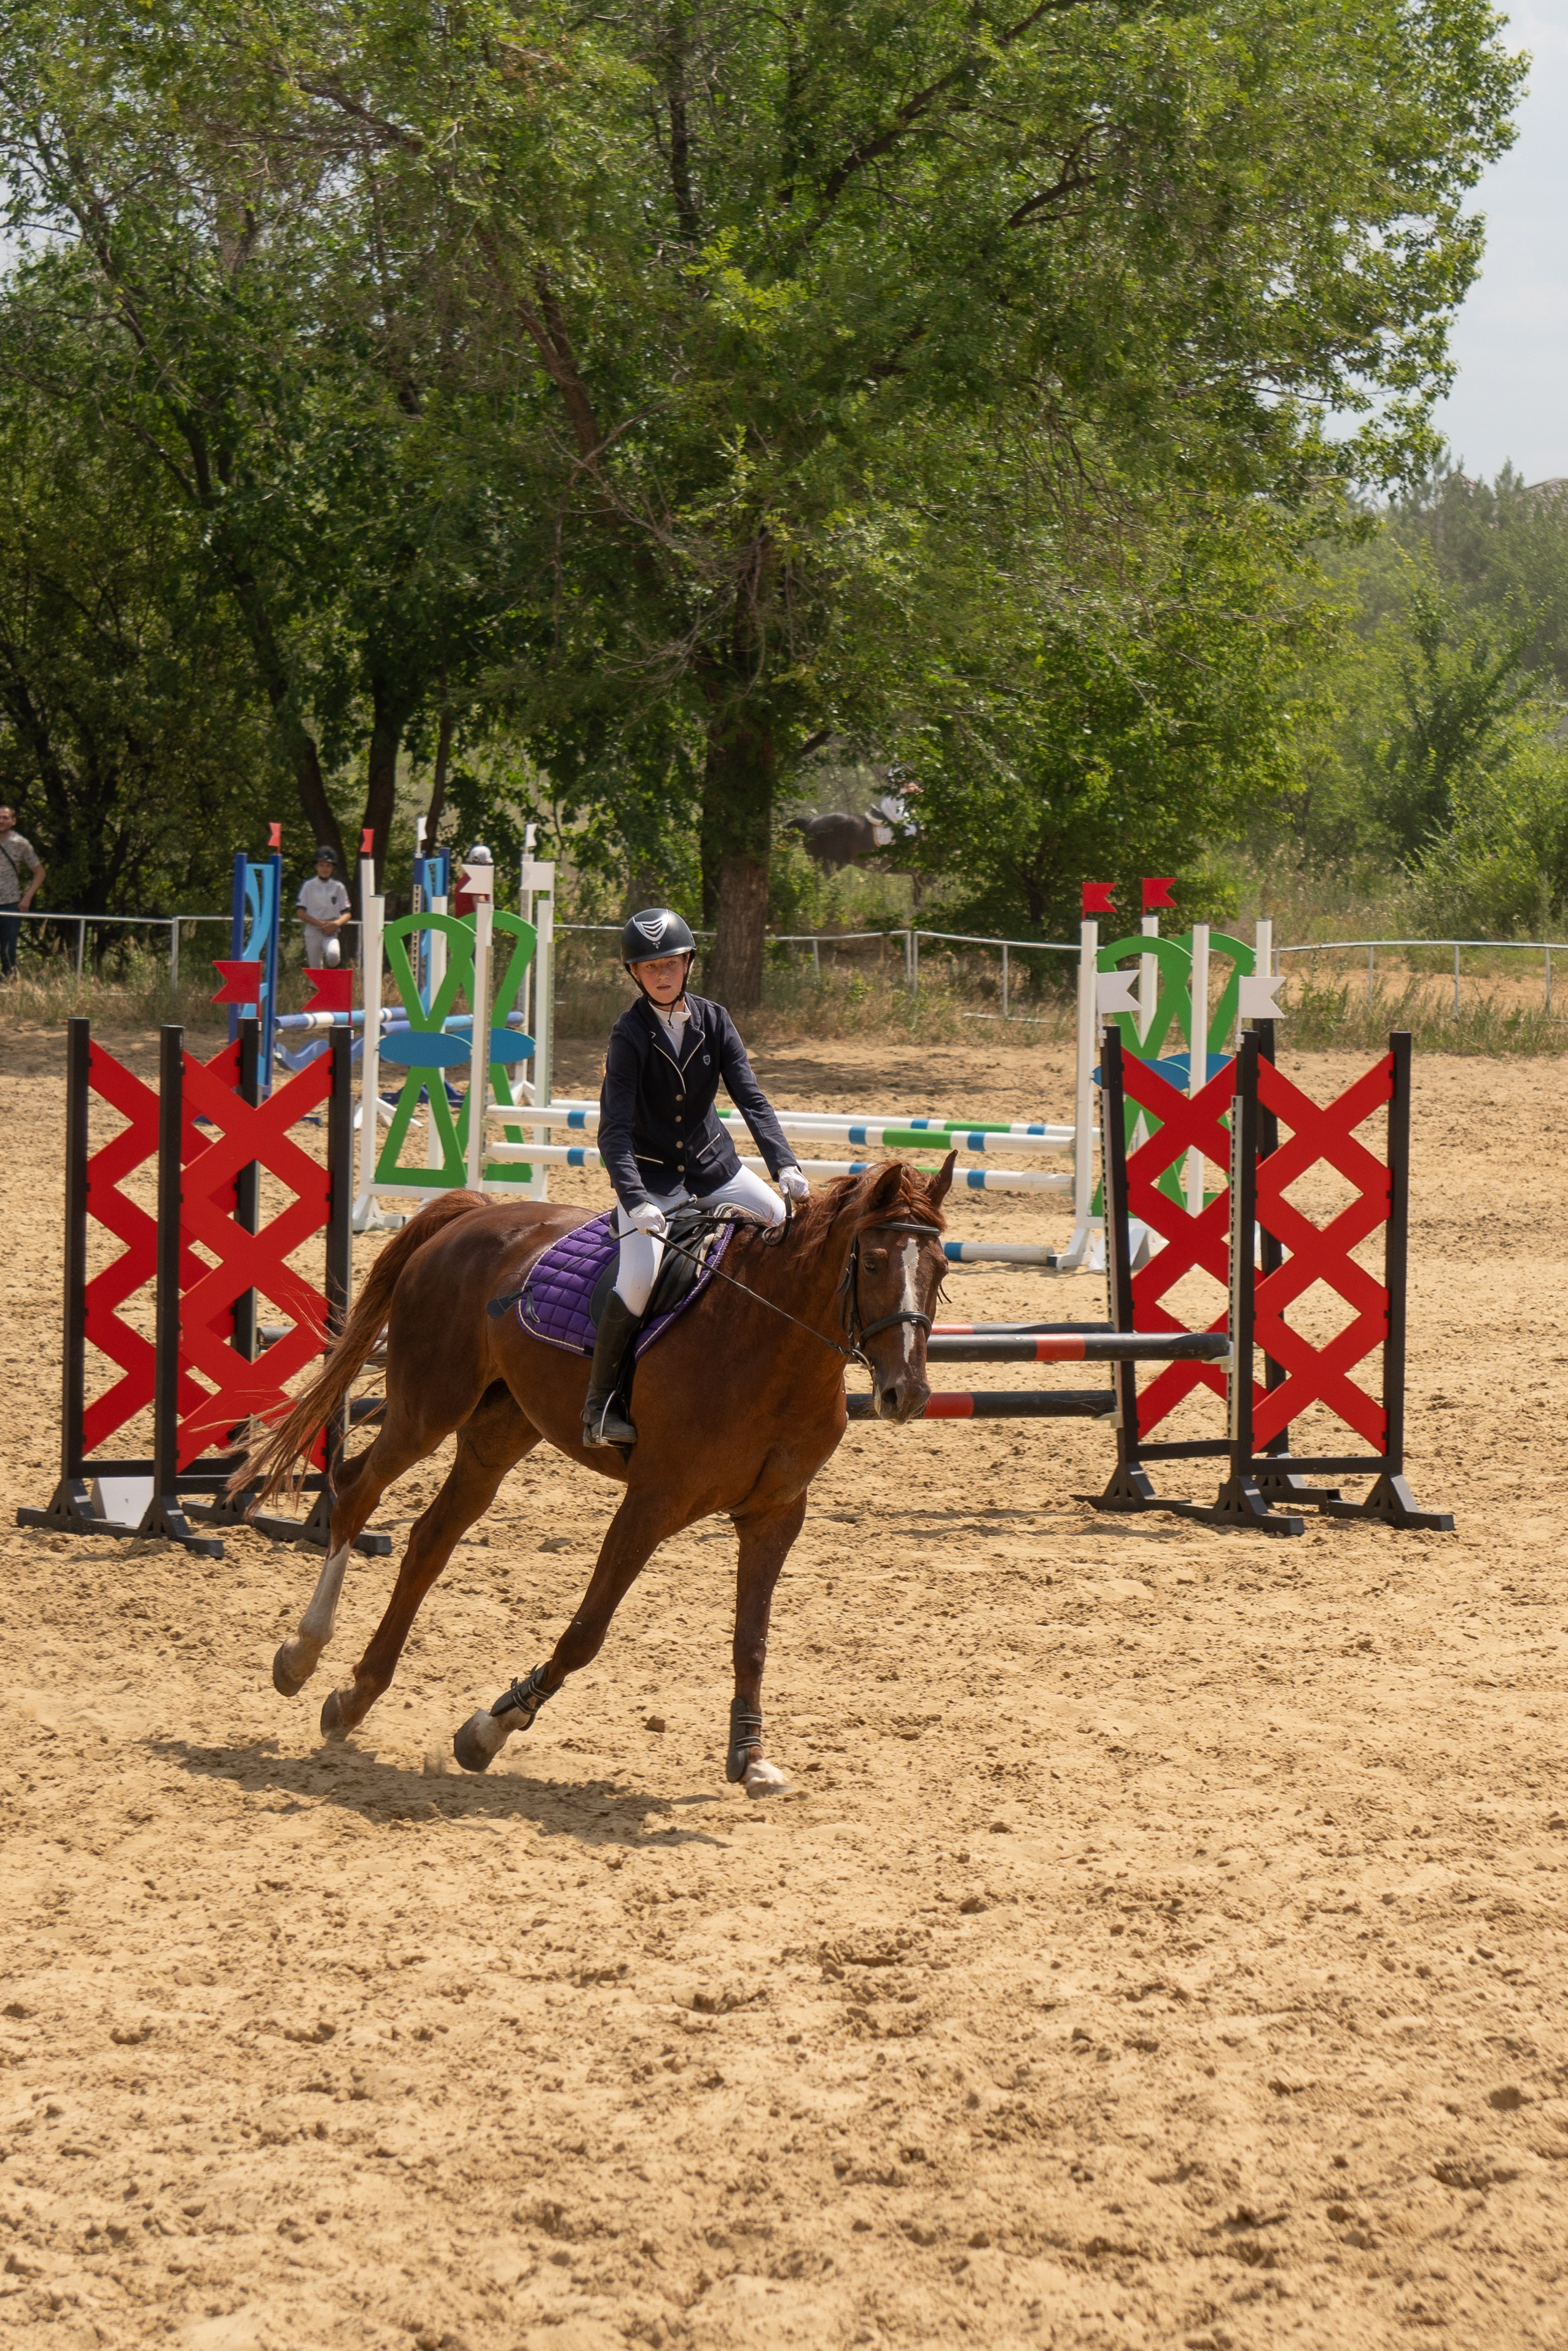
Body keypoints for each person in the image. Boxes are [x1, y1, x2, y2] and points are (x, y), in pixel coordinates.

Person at [584, 908, 811, 1447]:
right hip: (653, 1180)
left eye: (670, 963)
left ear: (688, 963)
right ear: (635, 974)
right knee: (639, 1276)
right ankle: (600, 1405)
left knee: (783, 1223)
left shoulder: (715, 1019)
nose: (662, 975)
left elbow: (750, 1098)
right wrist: (634, 1198)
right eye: (649, 967)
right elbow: (613, 1132)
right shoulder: (629, 1034)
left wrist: (785, 1164)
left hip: (715, 1167)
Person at [0, 806, 44, 981]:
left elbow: (40, 872)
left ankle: (10, 988)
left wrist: (27, 897)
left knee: (8, 951)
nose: (1, 821)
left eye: (5, 818)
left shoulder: (21, 843)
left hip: (11, 903)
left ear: (13, 821)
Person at [296, 846, 352, 967]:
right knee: (315, 968)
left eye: (328, 866)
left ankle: (332, 974)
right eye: (322, 865)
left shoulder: (339, 887)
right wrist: (321, 924)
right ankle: (315, 985)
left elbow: (347, 913)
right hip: (313, 930)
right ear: (316, 867)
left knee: (333, 955)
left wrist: (335, 924)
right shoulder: (308, 886)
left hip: (331, 931)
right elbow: (300, 913)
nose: (325, 869)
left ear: (333, 868)